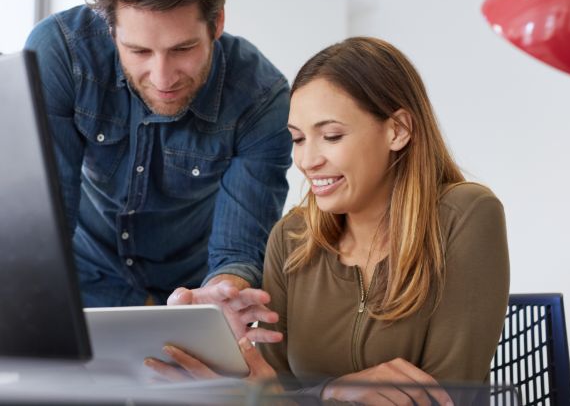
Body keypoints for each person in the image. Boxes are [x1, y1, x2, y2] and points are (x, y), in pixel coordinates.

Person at [149, 37, 509, 405]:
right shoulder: (291, 239)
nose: (307, 160)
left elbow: (443, 399)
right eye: (298, 139)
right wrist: (331, 391)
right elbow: (271, 391)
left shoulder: (466, 215)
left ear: (398, 130)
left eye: (331, 136)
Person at [24, 0, 292, 313]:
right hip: (83, 281)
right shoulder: (61, 53)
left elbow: (239, 250)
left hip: (190, 297)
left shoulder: (261, 98)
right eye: (139, 52)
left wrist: (222, 293)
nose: (163, 78)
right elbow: (47, 216)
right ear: (110, 29)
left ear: (216, 22)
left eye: (183, 49)